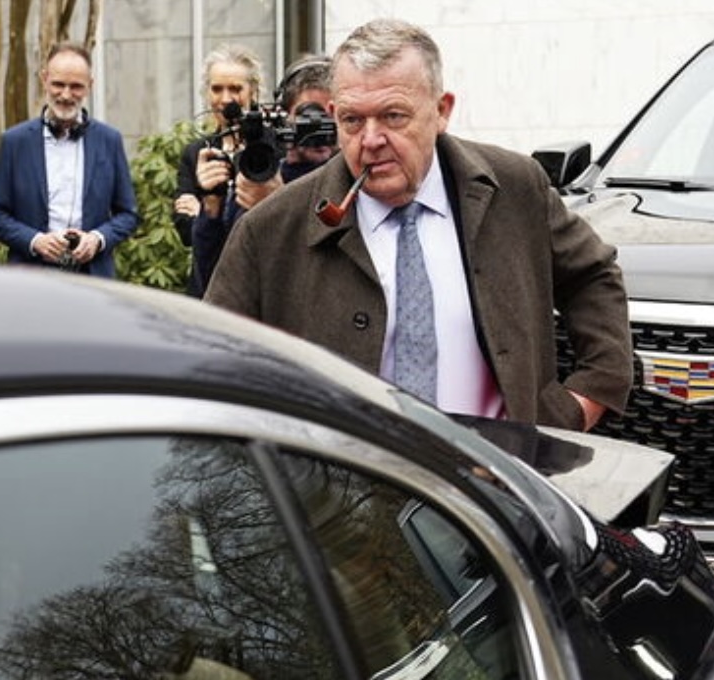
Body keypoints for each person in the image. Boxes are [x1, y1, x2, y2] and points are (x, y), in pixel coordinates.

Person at [205, 19, 632, 433]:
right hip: (345, 479)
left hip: (502, 472)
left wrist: (582, 401)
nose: (371, 140)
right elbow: (213, 364)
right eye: (353, 120)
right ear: (334, 116)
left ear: (441, 110)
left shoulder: (515, 187)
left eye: (393, 116)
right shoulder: (271, 230)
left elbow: (593, 276)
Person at [185, 52, 337, 298]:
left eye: (331, 115)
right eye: (308, 114)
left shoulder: (355, 185)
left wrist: (278, 204)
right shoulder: (258, 176)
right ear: (284, 117)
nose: (319, 127)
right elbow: (213, 278)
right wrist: (212, 204)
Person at [0, 41, 139, 280]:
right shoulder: (14, 142)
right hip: (31, 280)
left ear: (89, 86)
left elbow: (128, 214)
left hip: (94, 279)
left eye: (76, 86)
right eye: (58, 84)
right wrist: (35, 240)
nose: (66, 95)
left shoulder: (110, 140)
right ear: (44, 79)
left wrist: (97, 239)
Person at [171, 45, 262, 258]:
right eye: (217, 89)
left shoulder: (271, 149)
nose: (226, 99)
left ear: (253, 92)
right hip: (208, 272)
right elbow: (186, 232)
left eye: (235, 89)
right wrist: (209, 205)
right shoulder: (196, 153)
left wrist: (201, 210)